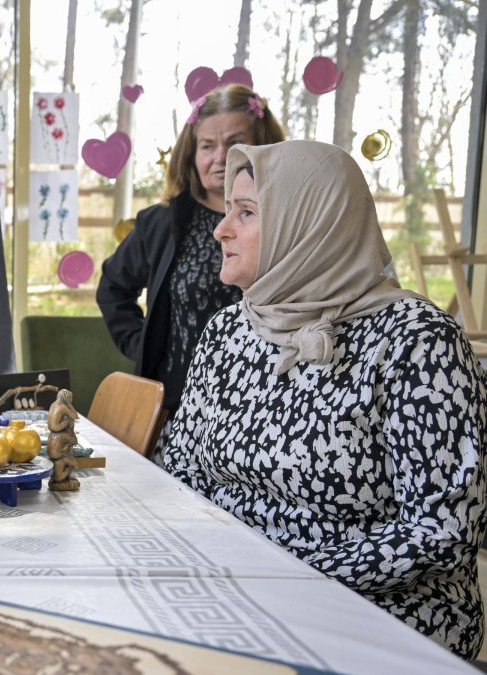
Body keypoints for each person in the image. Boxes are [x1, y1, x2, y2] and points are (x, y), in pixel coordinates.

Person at [164, 140, 487, 660]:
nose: (221, 230)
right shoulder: (230, 329)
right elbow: (180, 467)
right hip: (239, 596)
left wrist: (286, 576)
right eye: (227, 211)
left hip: (377, 614)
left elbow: (442, 531)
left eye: (245, 213)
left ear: (310, 226)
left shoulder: (416, 341)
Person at [96, 84, 285, 433]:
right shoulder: (161, 223)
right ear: (190, 153)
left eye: (234, 143)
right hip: (176, 410)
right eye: (207, 146)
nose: (220, 157)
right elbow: (112, 289)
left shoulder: (287, 218)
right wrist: (147, 344)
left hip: (266, 409)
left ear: (263, 146)